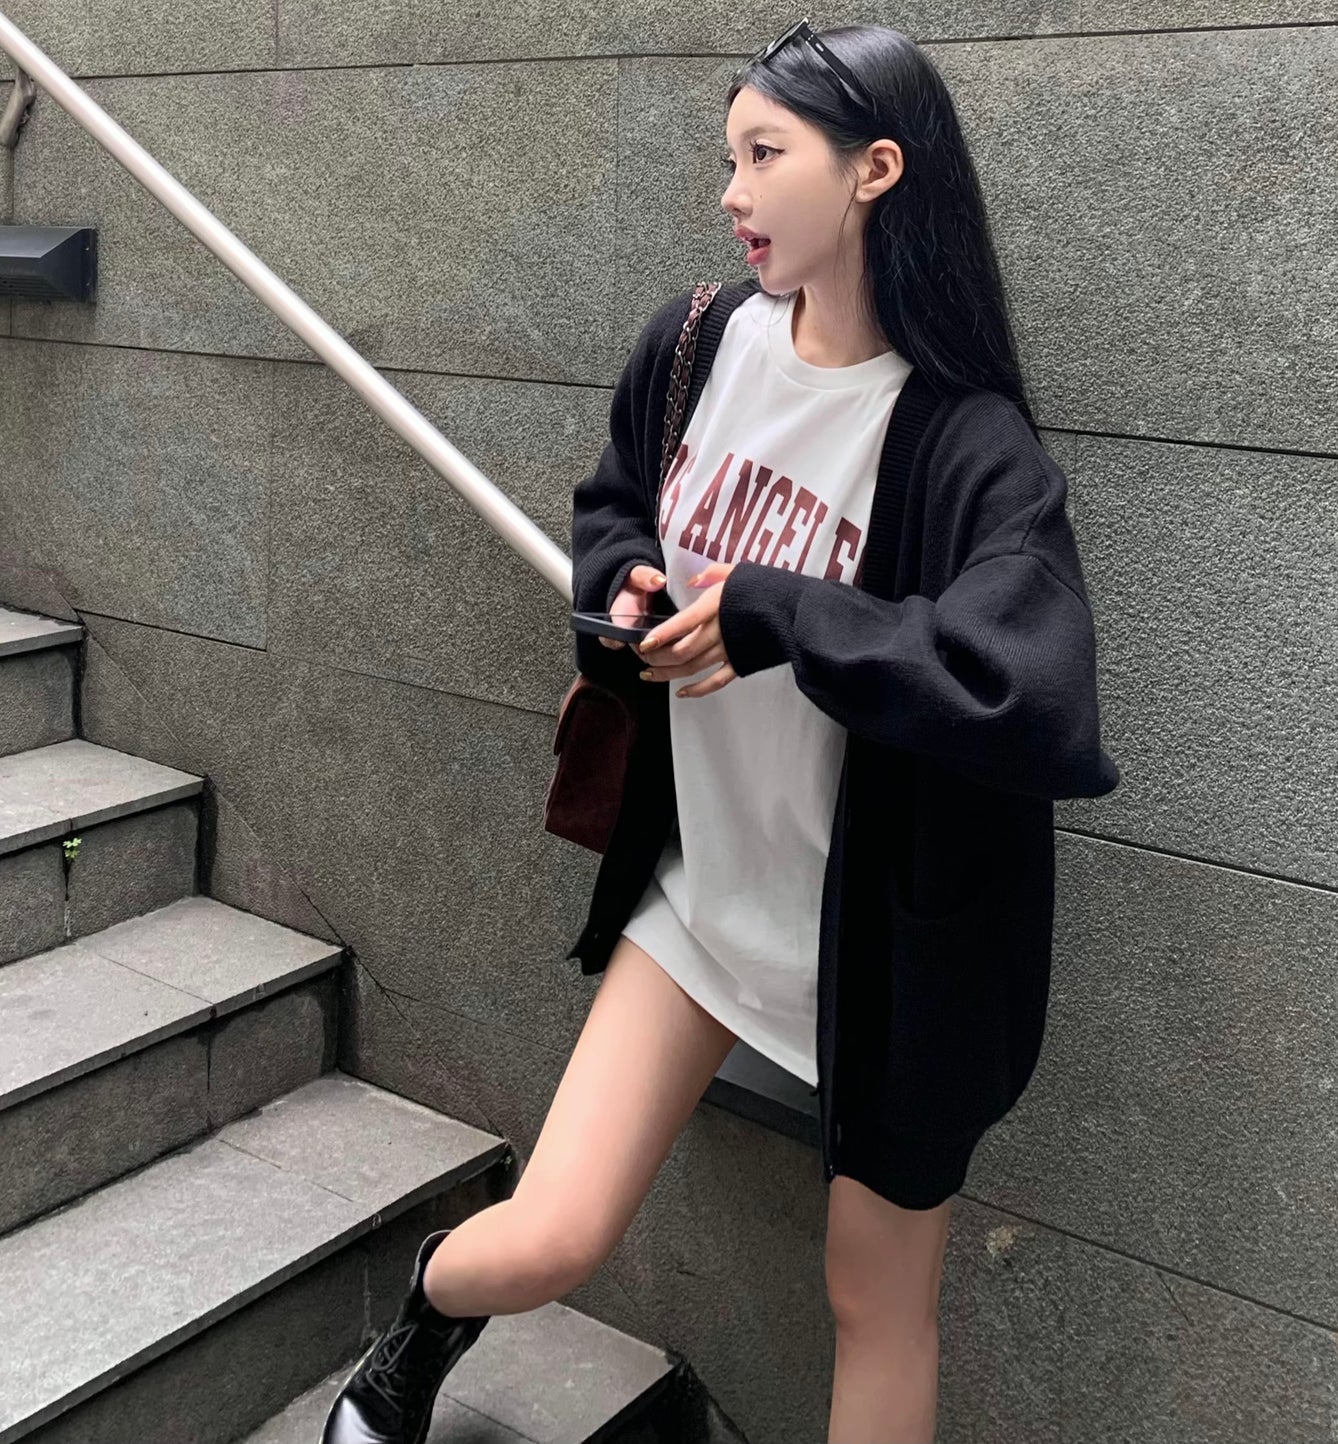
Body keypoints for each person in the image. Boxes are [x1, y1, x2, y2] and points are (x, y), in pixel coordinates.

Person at [322, 19, 1118, 1444]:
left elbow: (1036, 692)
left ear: (875, 170)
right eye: (727, 157)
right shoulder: (695, 345)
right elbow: (614, 504)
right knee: (550, 1240)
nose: (732, 193)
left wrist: (780, 614)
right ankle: (427, 1312)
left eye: (764, 155)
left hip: (892, 956)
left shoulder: (963, 443)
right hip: (706, 900)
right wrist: (624, 583)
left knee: (877, 1305)